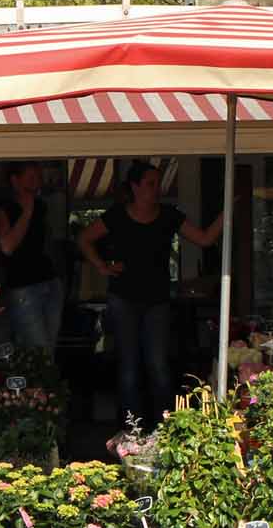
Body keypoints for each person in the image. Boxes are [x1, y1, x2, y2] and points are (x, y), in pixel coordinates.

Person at [77, 161, 224, 427]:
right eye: (150, 184)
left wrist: (228, 211)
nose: (156, 190)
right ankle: (132, 432)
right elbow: (84, 238)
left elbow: (204, 239)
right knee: (129, 369)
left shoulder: (169, 215)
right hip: (123, 298)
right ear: (134, 187)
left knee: (159, 369)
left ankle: (164, 429)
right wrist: (102, 266)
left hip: (157, 301)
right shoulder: (117, 215)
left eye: (158, 184)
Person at [0, 161, 62, 351]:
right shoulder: (4, 209)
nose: (36, 184)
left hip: (49, 282)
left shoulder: (42, 207)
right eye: (31, 178)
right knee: (39, 349)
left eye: (38, 178)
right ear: (15, 181)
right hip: (23, 287)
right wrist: (27, 211)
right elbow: (7, 246)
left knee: (49, 346)